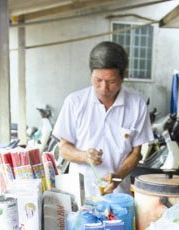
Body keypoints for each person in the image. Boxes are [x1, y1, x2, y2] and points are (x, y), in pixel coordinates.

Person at [52, 41, 153, 198]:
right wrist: (84, 156)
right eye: (98, 80)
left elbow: (136, 153)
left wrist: (118, 176)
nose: (104, 88)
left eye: (111, 82)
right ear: (91, 74)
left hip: (118, 197)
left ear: (123, 76)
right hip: (80, 195)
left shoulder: (137, 105)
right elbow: (63, 149)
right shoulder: (75, 102)